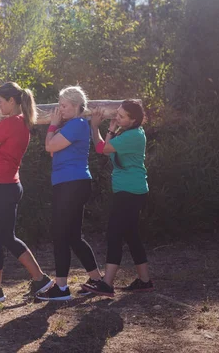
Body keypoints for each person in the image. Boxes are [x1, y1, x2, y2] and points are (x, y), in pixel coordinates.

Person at [0, 82, 53, 304]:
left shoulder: (10, 124)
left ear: (12, 101)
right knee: (7, 236)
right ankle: (39, 279)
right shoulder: (23, 122)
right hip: (10, 185)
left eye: (0, 102)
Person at [36, 86, 103, 301]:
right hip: (72, 183)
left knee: (60, 236)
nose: (60, 109)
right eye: (59, 104)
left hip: (71, 185)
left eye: (64, 105)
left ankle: (61, 288)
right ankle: (96, 279)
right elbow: (53, 149)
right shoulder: (75, 125)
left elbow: (49, 147)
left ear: (76, 107)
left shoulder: (76, 124)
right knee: (73, 237)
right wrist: (54, 133)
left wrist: (53, 124)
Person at [82, 99, 153, 297]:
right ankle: (145, 281)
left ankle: (107, 283)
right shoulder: (128, 132)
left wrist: (95, 126)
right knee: (131, 235)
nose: (117, 117)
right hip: (130, 190)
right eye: (117, 113)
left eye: (121, 116)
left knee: (114, 234)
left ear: (134, 120)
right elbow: (105, 149)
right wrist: (110, 130)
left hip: (130, 192)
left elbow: (102, 148)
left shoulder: (133, 136)